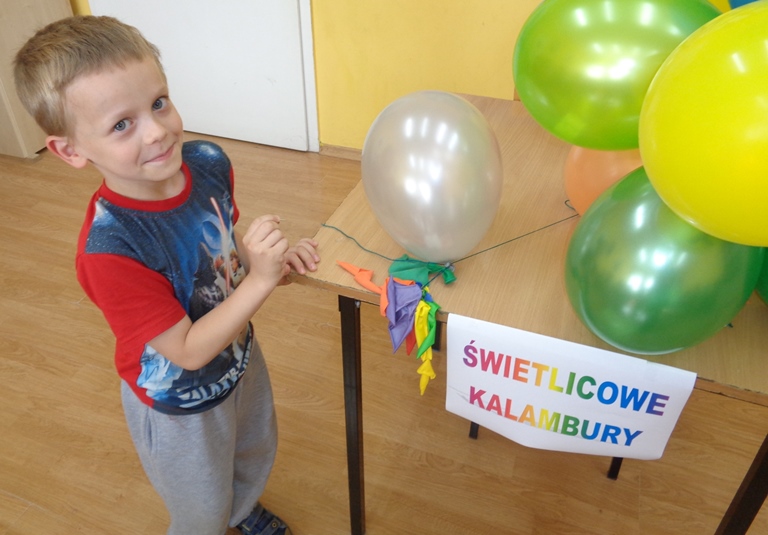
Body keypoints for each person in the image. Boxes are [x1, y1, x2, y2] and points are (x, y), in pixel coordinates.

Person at [14, 15, 316, 535]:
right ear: (70, 150)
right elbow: (188, 351)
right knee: (200, 505)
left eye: (158, 102)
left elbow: (225, 253)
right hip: (181, 407)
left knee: (251, 449)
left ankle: (240, 509)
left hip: (238, 357)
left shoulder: (207, 163)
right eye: (121, 124)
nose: (157, 131)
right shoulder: (110, 250)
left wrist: (268, 264)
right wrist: (259, 283)